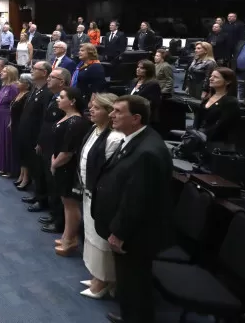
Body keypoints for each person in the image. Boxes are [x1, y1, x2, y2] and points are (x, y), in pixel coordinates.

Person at [93, 95, 172, 323]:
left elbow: (137, 200)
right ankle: (130, 316)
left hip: (135, 235)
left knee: (135, 283)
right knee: (129, 283)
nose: (111, 115)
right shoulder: (135, 138)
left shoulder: (147, 152)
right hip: (131, 232)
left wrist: (118, 233)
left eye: (118, 111)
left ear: (136, 118)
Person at [78, 93, 124, 299]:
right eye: (90, 107)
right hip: (88, 191)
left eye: (96, 108)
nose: (91, 111)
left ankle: (104, 280)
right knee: (90, 235)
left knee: (100, 239)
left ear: (108, 112)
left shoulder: (114, 138)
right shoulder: (94, 129)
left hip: (101, 196)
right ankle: (96, 274)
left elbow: (109, 173)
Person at [29, 66, 70, 236]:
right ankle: (53, 215)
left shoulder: (65, 99)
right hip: (46, 145)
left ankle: (59, 221)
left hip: (56, 148)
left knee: (56, 185)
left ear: (62, 82)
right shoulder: (53, 96)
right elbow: (46, 124)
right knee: (48, 180)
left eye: (52, 77)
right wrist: (40, 142)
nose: (49, 80)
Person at [51, 87, 89, 256]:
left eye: (62, 97)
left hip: (67, 167)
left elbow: (68, 151)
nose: (58, 99)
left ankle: (71, 239)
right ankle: (67, 235)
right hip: (60, 164)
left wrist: (55, 163)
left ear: (72, 101)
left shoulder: (76, 121)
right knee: (65, 202)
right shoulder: (66, 117)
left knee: (70, 204)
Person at [19, 62, 52, 199]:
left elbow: (45, 118)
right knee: (31, 165)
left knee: (38, 168)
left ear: (44, 73)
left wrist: (40, 140)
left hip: (36, 136)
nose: (31, 71)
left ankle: (40, 198)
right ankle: (36, 194)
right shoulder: (35, 88)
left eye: (35, 69)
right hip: (27, 134)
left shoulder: (47, 92)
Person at [192, 68, 241, 144]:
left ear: (228, 82)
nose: (211, 79)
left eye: (216, 77)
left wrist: (201, 135)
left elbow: (221, 125)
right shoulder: (208, 98)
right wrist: (194, 133)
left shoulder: (231, 102)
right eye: (211, 76)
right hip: (198, 138)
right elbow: (198, 119)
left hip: (216, 143)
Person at [0, 64, 20, 178]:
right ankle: (2, 165)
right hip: (0, 117)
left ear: (10, 74)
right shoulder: (4, 85)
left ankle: (9, 169)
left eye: (4, 72)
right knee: (0, 140)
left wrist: (11, 120)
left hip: (7, 117)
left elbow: (15, 106)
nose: (1, 73)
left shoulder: (14, 88)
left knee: (6, 142)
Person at [10, 73, 32, 189]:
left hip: (22, 125)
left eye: (20, 81)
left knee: (24, 152)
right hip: (15, 124)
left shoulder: (27, 96)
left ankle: (26, 177)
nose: (17, 82)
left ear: (27, 85)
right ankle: (21, 174)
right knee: (19, 151)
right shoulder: (19, 93)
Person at [73, 43, 107, 108]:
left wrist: (92, 102)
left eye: (82, 51)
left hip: (87, 99)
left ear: (90, 52)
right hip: (79, 96)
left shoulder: (96, 66)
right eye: (79, 50)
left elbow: (98, 86)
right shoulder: (81, 64)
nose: (79, 52)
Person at [129, 60, 161, 126]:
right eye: (138, 67)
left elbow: (154, 103)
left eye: (142, 68)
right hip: (131, 114)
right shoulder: (134, 81)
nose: (138, 69)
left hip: (144, 117)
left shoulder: (153, 84)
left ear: (149, 70)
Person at [232, 26, 245, 101]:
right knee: (239, 87)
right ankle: (239, 104)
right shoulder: (241, 43)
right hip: (238, 70)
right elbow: (235, 55)